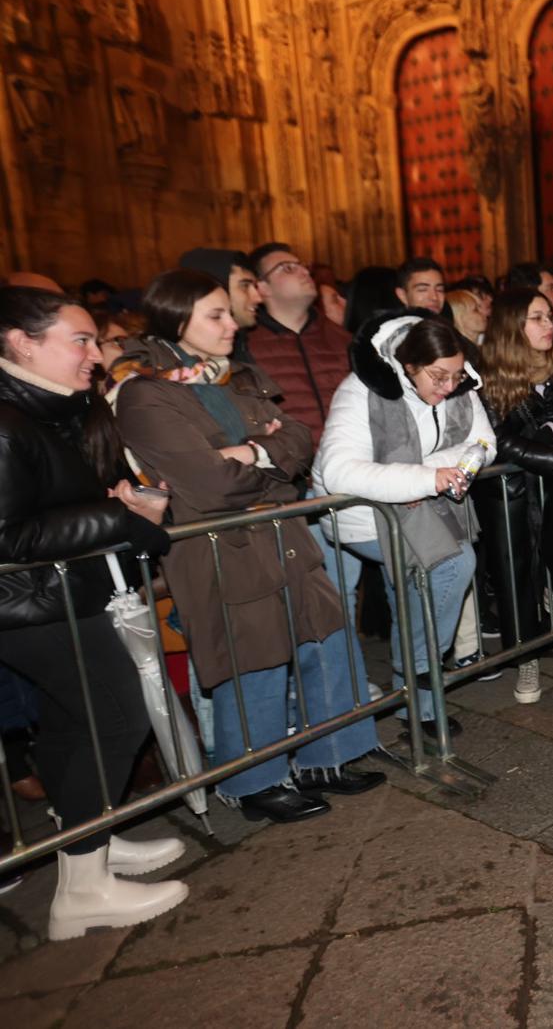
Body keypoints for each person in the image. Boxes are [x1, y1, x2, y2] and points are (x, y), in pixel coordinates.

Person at [112, 269, 385, 823]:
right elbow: (209, 487)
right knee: (251, 660)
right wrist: (264, 459)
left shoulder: (236, 376)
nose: (232, 323)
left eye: (228, 311)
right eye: (215, 314)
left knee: (323, 640)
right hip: (220, 546)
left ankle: (328, 757)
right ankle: (255, 780)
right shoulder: (144, 394)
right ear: (175, 317)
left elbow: (299, 437)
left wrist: (250, 455)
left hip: (282, 534)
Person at [0, 285, 190, 939]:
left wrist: (120, 504)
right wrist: (118, 514)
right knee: (116, 715)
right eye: (79, 340)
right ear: (22, 342)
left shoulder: (48, 409)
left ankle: (91, 839)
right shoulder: (7, 422)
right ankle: (81, 889)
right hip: (29, 606)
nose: (95, 353)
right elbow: (9, 539)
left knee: (67, 720)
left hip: (57, 595)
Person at [312, 314, 495, 743]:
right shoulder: (361, 390)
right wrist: (425, 477)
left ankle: (418, 702)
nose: (450, 387)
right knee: (450, 565)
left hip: (413, 509)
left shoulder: (457, 382)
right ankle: (412, 682)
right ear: (408, 364)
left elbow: (484, 443)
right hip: (357, 515)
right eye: (438, 376)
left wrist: (426, 469)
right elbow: (339, 471)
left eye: (456, 375)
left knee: (414, 596)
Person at [475, 287, 553, 705]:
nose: (550, 325)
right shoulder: (489, 373)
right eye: (537, 318)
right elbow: (499, 442)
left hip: (551, 473)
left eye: (550, 316)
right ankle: (524, 660)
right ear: (514, 326)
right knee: (516, 575)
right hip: (508, 488)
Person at [247, 241, 352, 443]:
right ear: (262, 287)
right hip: (291, 468)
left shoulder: (342, 339)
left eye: (303, 266)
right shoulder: (247, 346)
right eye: (287, 268)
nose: (304, 272)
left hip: (347, 463)